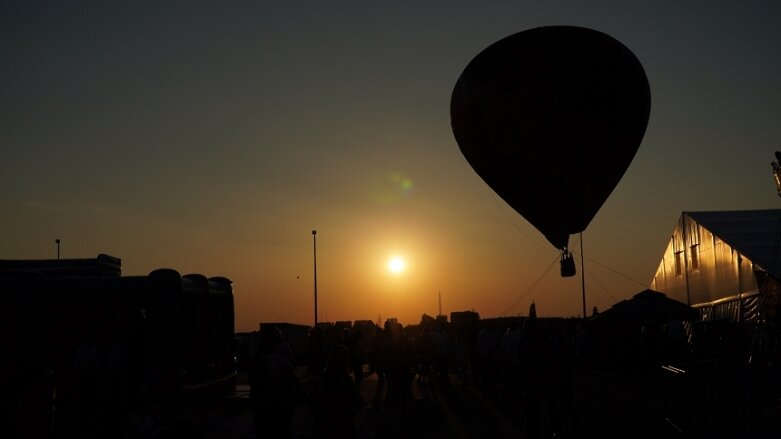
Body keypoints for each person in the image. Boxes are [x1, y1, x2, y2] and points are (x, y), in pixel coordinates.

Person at [251, 327, 302, 439]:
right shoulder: (280, 361)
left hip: (265, 411)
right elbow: (295, 386)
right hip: (279, 410)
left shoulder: (260, 359)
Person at [313, 344, 367, 438]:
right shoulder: (346, 380)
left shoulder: (323, 377)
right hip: (343, 421)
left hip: (324, 421)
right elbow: (358, 400)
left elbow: (313, 399)